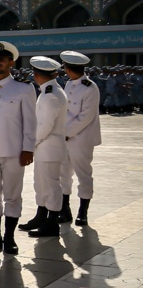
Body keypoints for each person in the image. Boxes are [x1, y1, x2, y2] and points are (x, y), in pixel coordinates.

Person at [0, 41, 35, 253]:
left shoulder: (24, 88)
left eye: (2, 60)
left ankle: (9, 238)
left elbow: (30, 120)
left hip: (13, 152)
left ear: (11, 62)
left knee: (12, 196)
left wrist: (28, 147)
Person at [26, 57, 68, 237]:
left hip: (49, 147)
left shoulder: (51, 95)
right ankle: (41, 215)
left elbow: (45, 126)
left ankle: (52, 222)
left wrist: (31, 143)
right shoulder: (48, 91)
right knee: (40, 184)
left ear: (36, 75)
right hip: (45, 148)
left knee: (51, 185)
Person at [58, 50, 100, 226]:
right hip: (65, 137)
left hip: (81, 138)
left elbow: (86, 117)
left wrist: (67, 132)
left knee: (83, 174)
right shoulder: (69, 84)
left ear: (68, 68)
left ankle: (83, 211)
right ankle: (65, 209)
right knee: (63, 173)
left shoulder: (90, 88)